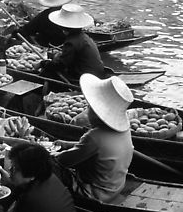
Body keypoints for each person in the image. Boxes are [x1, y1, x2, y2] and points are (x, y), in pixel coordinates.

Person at [52, 74, 135, 203]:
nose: (86, 111)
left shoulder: (94, 137)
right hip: (116, 187)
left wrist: (50, 154)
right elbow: (94, 149)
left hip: (94, 193)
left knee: (50, 164)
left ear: (97, 113)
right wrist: (65, 144)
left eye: (89, 108)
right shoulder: (124, 130)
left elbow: (64, 160)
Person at [37, 3, 106, 81]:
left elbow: (60, 65)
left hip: (85, 78)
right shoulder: (83, 37)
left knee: (48, 73)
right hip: (97, 73)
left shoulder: (71, 42)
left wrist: (43, 64)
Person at [11, 0, 75, 47]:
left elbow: (26, 30)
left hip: (48, 47)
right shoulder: (73, 15)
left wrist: (14, 33)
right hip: (65, 47)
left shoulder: (44, 15)